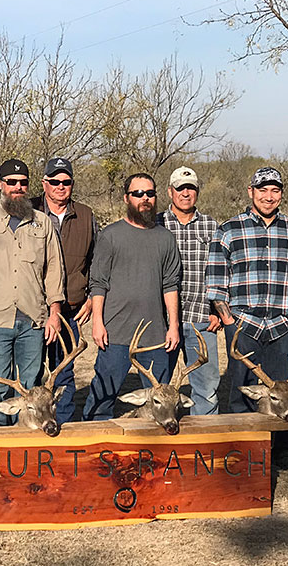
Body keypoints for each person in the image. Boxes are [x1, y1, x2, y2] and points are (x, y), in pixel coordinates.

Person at [206, 166, 288, 447]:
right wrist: (230, 323)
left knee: (283, 391)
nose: (269, 196)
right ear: (251, 192)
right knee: (241, 391)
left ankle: (281, 451)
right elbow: (216, 283)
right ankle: (242, 451)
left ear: (282, 194)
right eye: (263, 190)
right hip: (243, 325)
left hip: (283, 325)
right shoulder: (229, 230)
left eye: (275, 191)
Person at [0, 158, 65, 427]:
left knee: (32, 388)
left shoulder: (42, 223)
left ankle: (24, 445)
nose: (18, 187)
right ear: (0, 184)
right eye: (11, 182)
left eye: (23, 183)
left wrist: (54, 313)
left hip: (33, 321)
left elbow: (54, 269)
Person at [82, 172, 181, 421]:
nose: (145, 198)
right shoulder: (111, 235)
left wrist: (173, 326)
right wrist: (97, 323)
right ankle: (94, 441)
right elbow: (98, 283)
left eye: (149, 193)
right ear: (127, 198)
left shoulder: (165, 238)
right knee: (102, 398)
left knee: (160, 404)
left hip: (155, 337)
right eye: (138, 193)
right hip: (115, 334)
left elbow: (170, 285)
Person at [31, 156, 97, 424]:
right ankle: (31, 429)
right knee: (31, 373)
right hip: (34, 310)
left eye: (66, 181)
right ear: (44, 183)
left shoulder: (86, 215)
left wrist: (91, 297)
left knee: (65, 371)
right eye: (55, 181)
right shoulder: (27, 211)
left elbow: (96, 260)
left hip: (70, 310)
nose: (61, 186)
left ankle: (66, 428)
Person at [157, 166, 221, 415]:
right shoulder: (156, 224)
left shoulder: (211, 226)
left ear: (197, 192)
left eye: (191, 188)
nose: (185, 193)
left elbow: (220, 270)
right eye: (180, 188)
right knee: (159, 388)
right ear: (170, 191)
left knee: (206, 389)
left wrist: (217, 310)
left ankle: (203, 438)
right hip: (162, 322)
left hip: (201, 320)